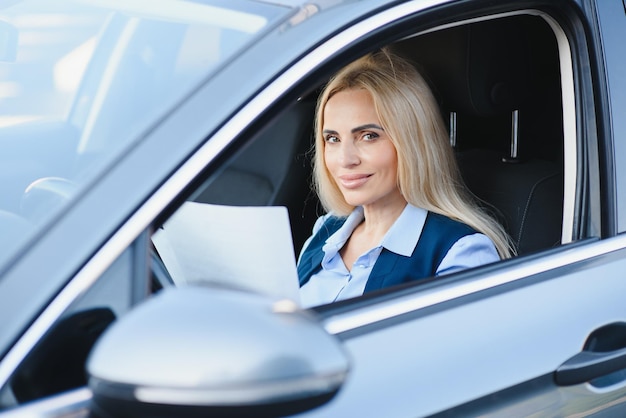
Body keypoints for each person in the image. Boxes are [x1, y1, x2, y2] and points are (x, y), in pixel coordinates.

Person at [297, 48, 514, 308]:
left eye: (368, 136)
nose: (345, 159)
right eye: (332, 139)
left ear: (413, 143)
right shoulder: (326, 231)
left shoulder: (458, 253)